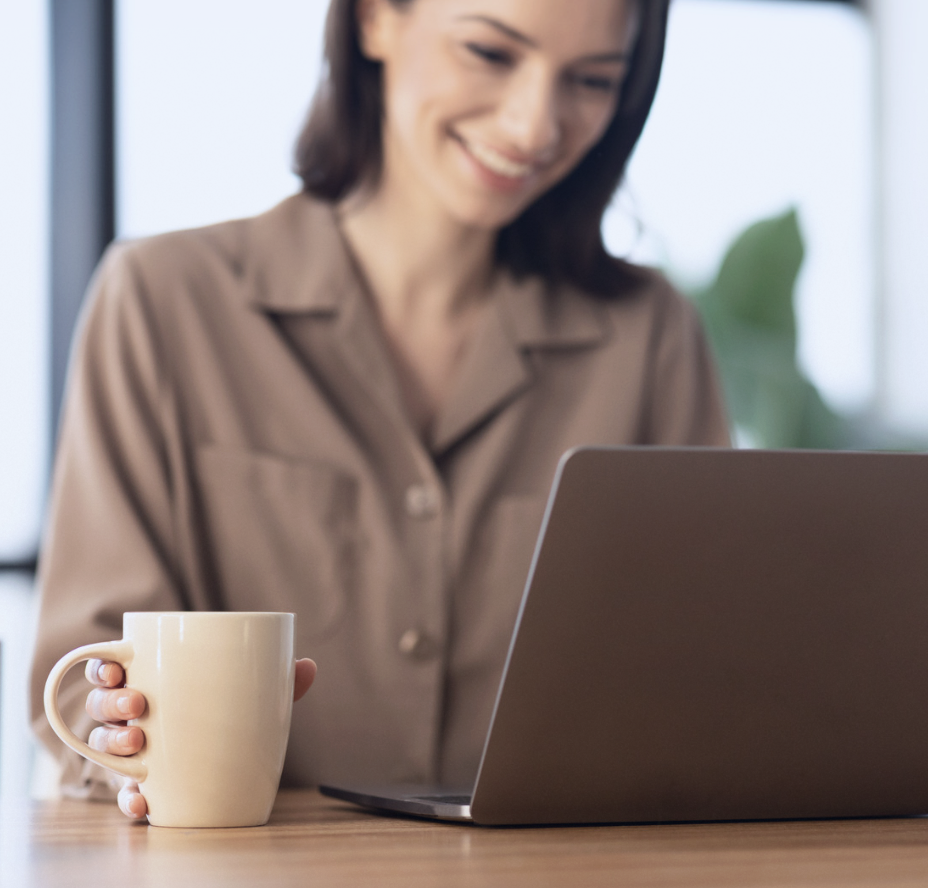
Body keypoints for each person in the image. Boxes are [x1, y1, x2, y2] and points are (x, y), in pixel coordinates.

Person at [29, 0, 729, 820]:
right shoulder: (161, 302)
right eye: (490, 52)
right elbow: (88, 669)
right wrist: (126, 745)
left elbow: (709, 673)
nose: (535, 122)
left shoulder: (651, 337)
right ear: (373, 19)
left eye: (592, 79)